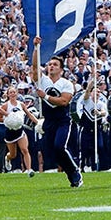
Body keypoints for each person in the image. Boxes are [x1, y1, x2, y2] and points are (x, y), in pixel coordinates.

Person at [32, 37, 83, 188]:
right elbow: (34, 68)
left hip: (62, 120)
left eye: (55, 65)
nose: (51, 66)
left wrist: (45, 96)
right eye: (50, 64)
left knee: (59, 146)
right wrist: (36, 48)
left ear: (61, 69)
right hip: (49, 120)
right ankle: (71, 173)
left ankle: (74, 172)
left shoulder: (66, 83)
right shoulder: (44, 81)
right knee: (53, 153)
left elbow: (64, 101)